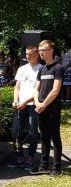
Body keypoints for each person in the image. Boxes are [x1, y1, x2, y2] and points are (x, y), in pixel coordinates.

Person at [31, 40, 64, 176]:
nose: (41, 52)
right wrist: (38, 103)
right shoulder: (41, 69)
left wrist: (44, 104)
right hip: (41, 108)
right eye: (39, 50)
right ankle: (43, 166)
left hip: (52, 108)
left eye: (43, 50)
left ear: (51, 50)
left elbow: (55, 90)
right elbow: (36, 88)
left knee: (54, 136)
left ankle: (56, 167)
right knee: (44, 136)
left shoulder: (58, 68)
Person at [8, 45, 41, 171]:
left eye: (31, 54)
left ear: (37, 54)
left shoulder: (41, 69)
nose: (28, 56)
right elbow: (17, 87)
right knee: (16, 131)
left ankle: (31, 157)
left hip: (33, 105)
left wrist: (26, 101)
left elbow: (39, 91)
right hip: (20, 104)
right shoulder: (22, 69)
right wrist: (15, 100)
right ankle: (19, 155)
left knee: (33, 131)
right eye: (27, 54)